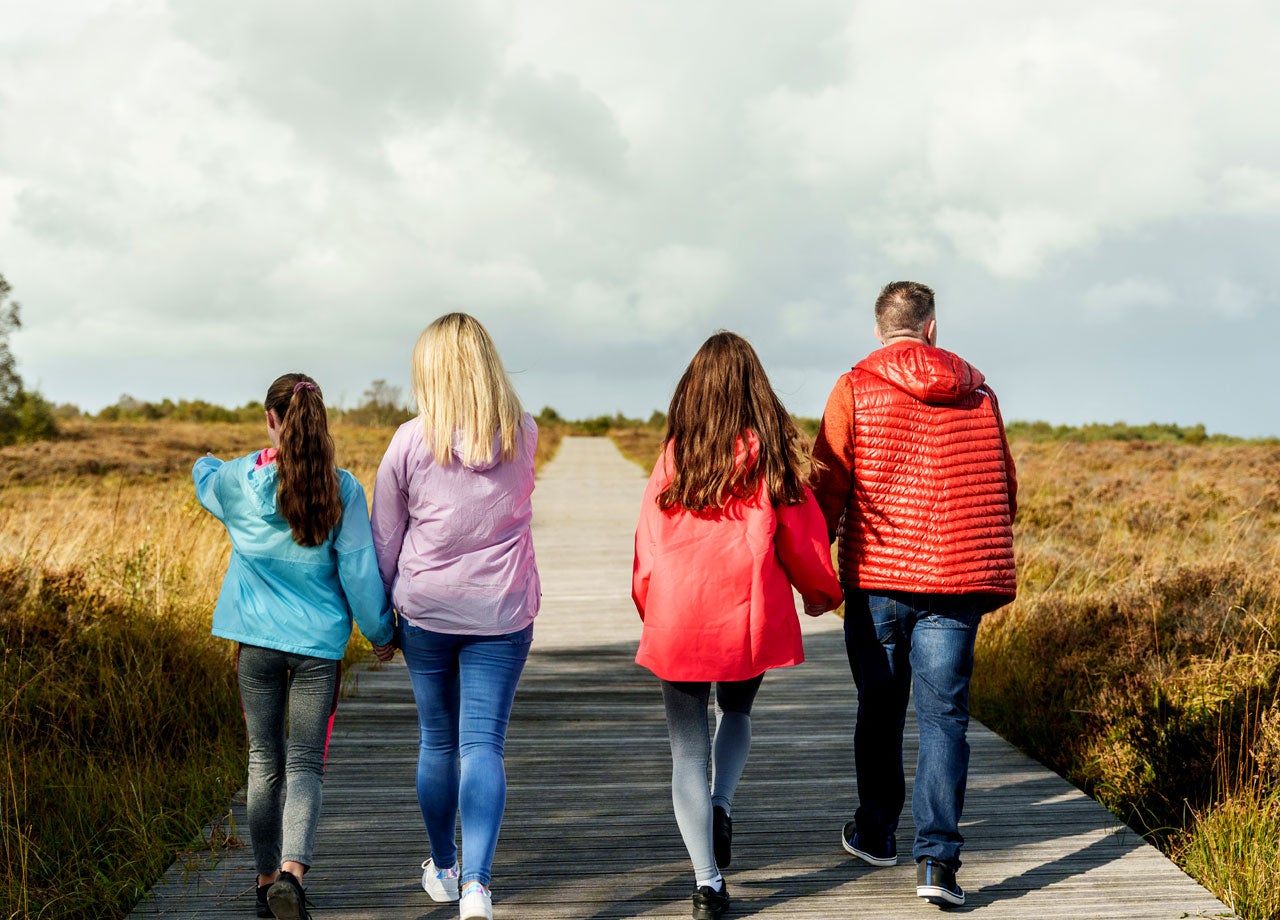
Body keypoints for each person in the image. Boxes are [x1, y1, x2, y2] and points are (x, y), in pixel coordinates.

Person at [809, 281, 1017, 908]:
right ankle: (938, 866)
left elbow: (828, 485)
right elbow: (1004, 488)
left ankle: (876, 833)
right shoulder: (979, 392)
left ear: (880, 331)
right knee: (945, 718)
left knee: (879, 704)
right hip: (954, 581)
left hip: (875, 579)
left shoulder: (853, 388)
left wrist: (812, 564)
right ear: (932, 328)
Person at [632, 331, 843, 920]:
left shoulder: (675, 456)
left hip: (679, 620)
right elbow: (803, 541)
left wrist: (651, 608)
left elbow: (647, 549)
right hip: (746, 621)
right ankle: (722, 803)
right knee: (739, 712)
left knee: (684, 754)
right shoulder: (772, 457)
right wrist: (822, 593)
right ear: (755, 389)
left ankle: (708, 884)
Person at [193, 373, 395, 920]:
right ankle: (291, 876)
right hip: (317, 649)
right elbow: (358, 572)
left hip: (255, 645)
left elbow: (203, 476)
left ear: (271, 420)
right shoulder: (342, 489)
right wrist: (381, 633)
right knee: (306, 763)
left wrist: (213, 460)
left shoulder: (238, 481)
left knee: (264, 762)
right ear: (319, 419)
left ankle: (263, 883)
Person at [371, 313, 539, 920]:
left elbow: (385, 537)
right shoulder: (525, 433)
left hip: (428, 612)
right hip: (502, 610)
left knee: (438, 742)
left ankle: (443, 867)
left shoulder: (410, 441)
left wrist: (383, 620)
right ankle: (478, 887)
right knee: (483, 746)